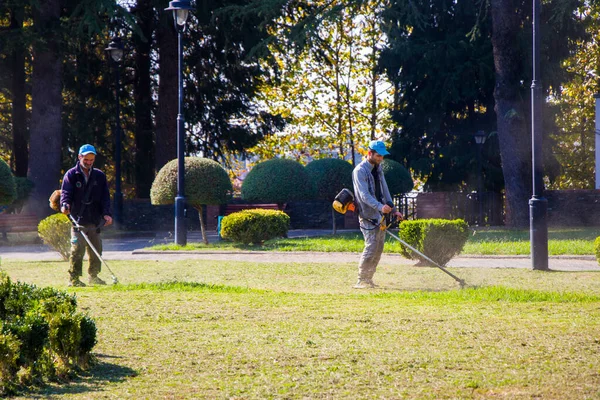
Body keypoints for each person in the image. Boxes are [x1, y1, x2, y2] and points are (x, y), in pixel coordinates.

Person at [352, 140, 402, 289]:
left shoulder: (378, 169)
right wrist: (380, 207)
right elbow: (364, 195)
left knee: (379, 247)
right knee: (371, 246)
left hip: (381, 216)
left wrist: (393, 209)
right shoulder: (360, 171)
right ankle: (361, 279)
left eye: (382, 156)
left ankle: (369, 279)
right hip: (368, 215)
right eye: (378, 156)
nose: (381, 159)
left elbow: (385, 190)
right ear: (370, 153)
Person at [60, 144, 113, 287]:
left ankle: (93, 276)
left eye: (91, 159)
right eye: (86, 159)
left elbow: (105, 197)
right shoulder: (71, 175)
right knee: (77, 250)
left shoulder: (99, 176)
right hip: (78, 220)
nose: (88, 162)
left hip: (95, 220)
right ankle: (74, 279)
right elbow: (65, 193)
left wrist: (106, 214)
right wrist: (65, 205)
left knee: (96, 250)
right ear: (79, 157)